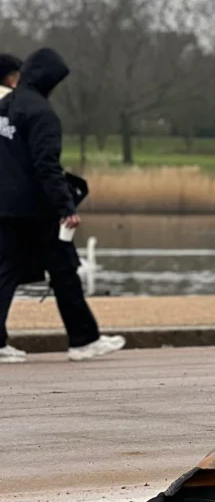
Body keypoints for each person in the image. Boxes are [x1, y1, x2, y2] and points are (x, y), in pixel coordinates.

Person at [0, 47, 125, 363]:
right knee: (64, 271)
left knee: (4, 273)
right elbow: (46, 165)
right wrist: (66, 206)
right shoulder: (42, 113)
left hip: (5, 207)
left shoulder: (5, 107)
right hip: (39, 209)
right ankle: (84, 339)